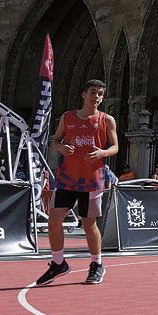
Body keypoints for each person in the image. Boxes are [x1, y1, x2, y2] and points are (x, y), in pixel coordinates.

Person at [35, 79, 119, 287]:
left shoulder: (106, 120)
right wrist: (61, 148)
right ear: (84, 94)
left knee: (89, 224)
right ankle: (58, 263)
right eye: (93, 92)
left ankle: (96, 264)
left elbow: (115, 147)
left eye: (100, 94)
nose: (96, 97)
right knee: (54, 219)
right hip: (66, 178)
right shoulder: (68, 117)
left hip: (92, 180)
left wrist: (103, 152)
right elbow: (54, 141)